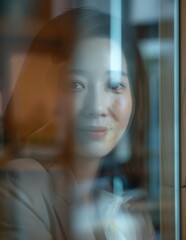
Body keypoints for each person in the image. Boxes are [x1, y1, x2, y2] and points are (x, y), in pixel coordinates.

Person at [0, 8, 154, 240]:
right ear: (51, 95)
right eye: (76, 84)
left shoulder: (124, 195)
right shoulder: (21, 184)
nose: (98, 107)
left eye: (114, 86)